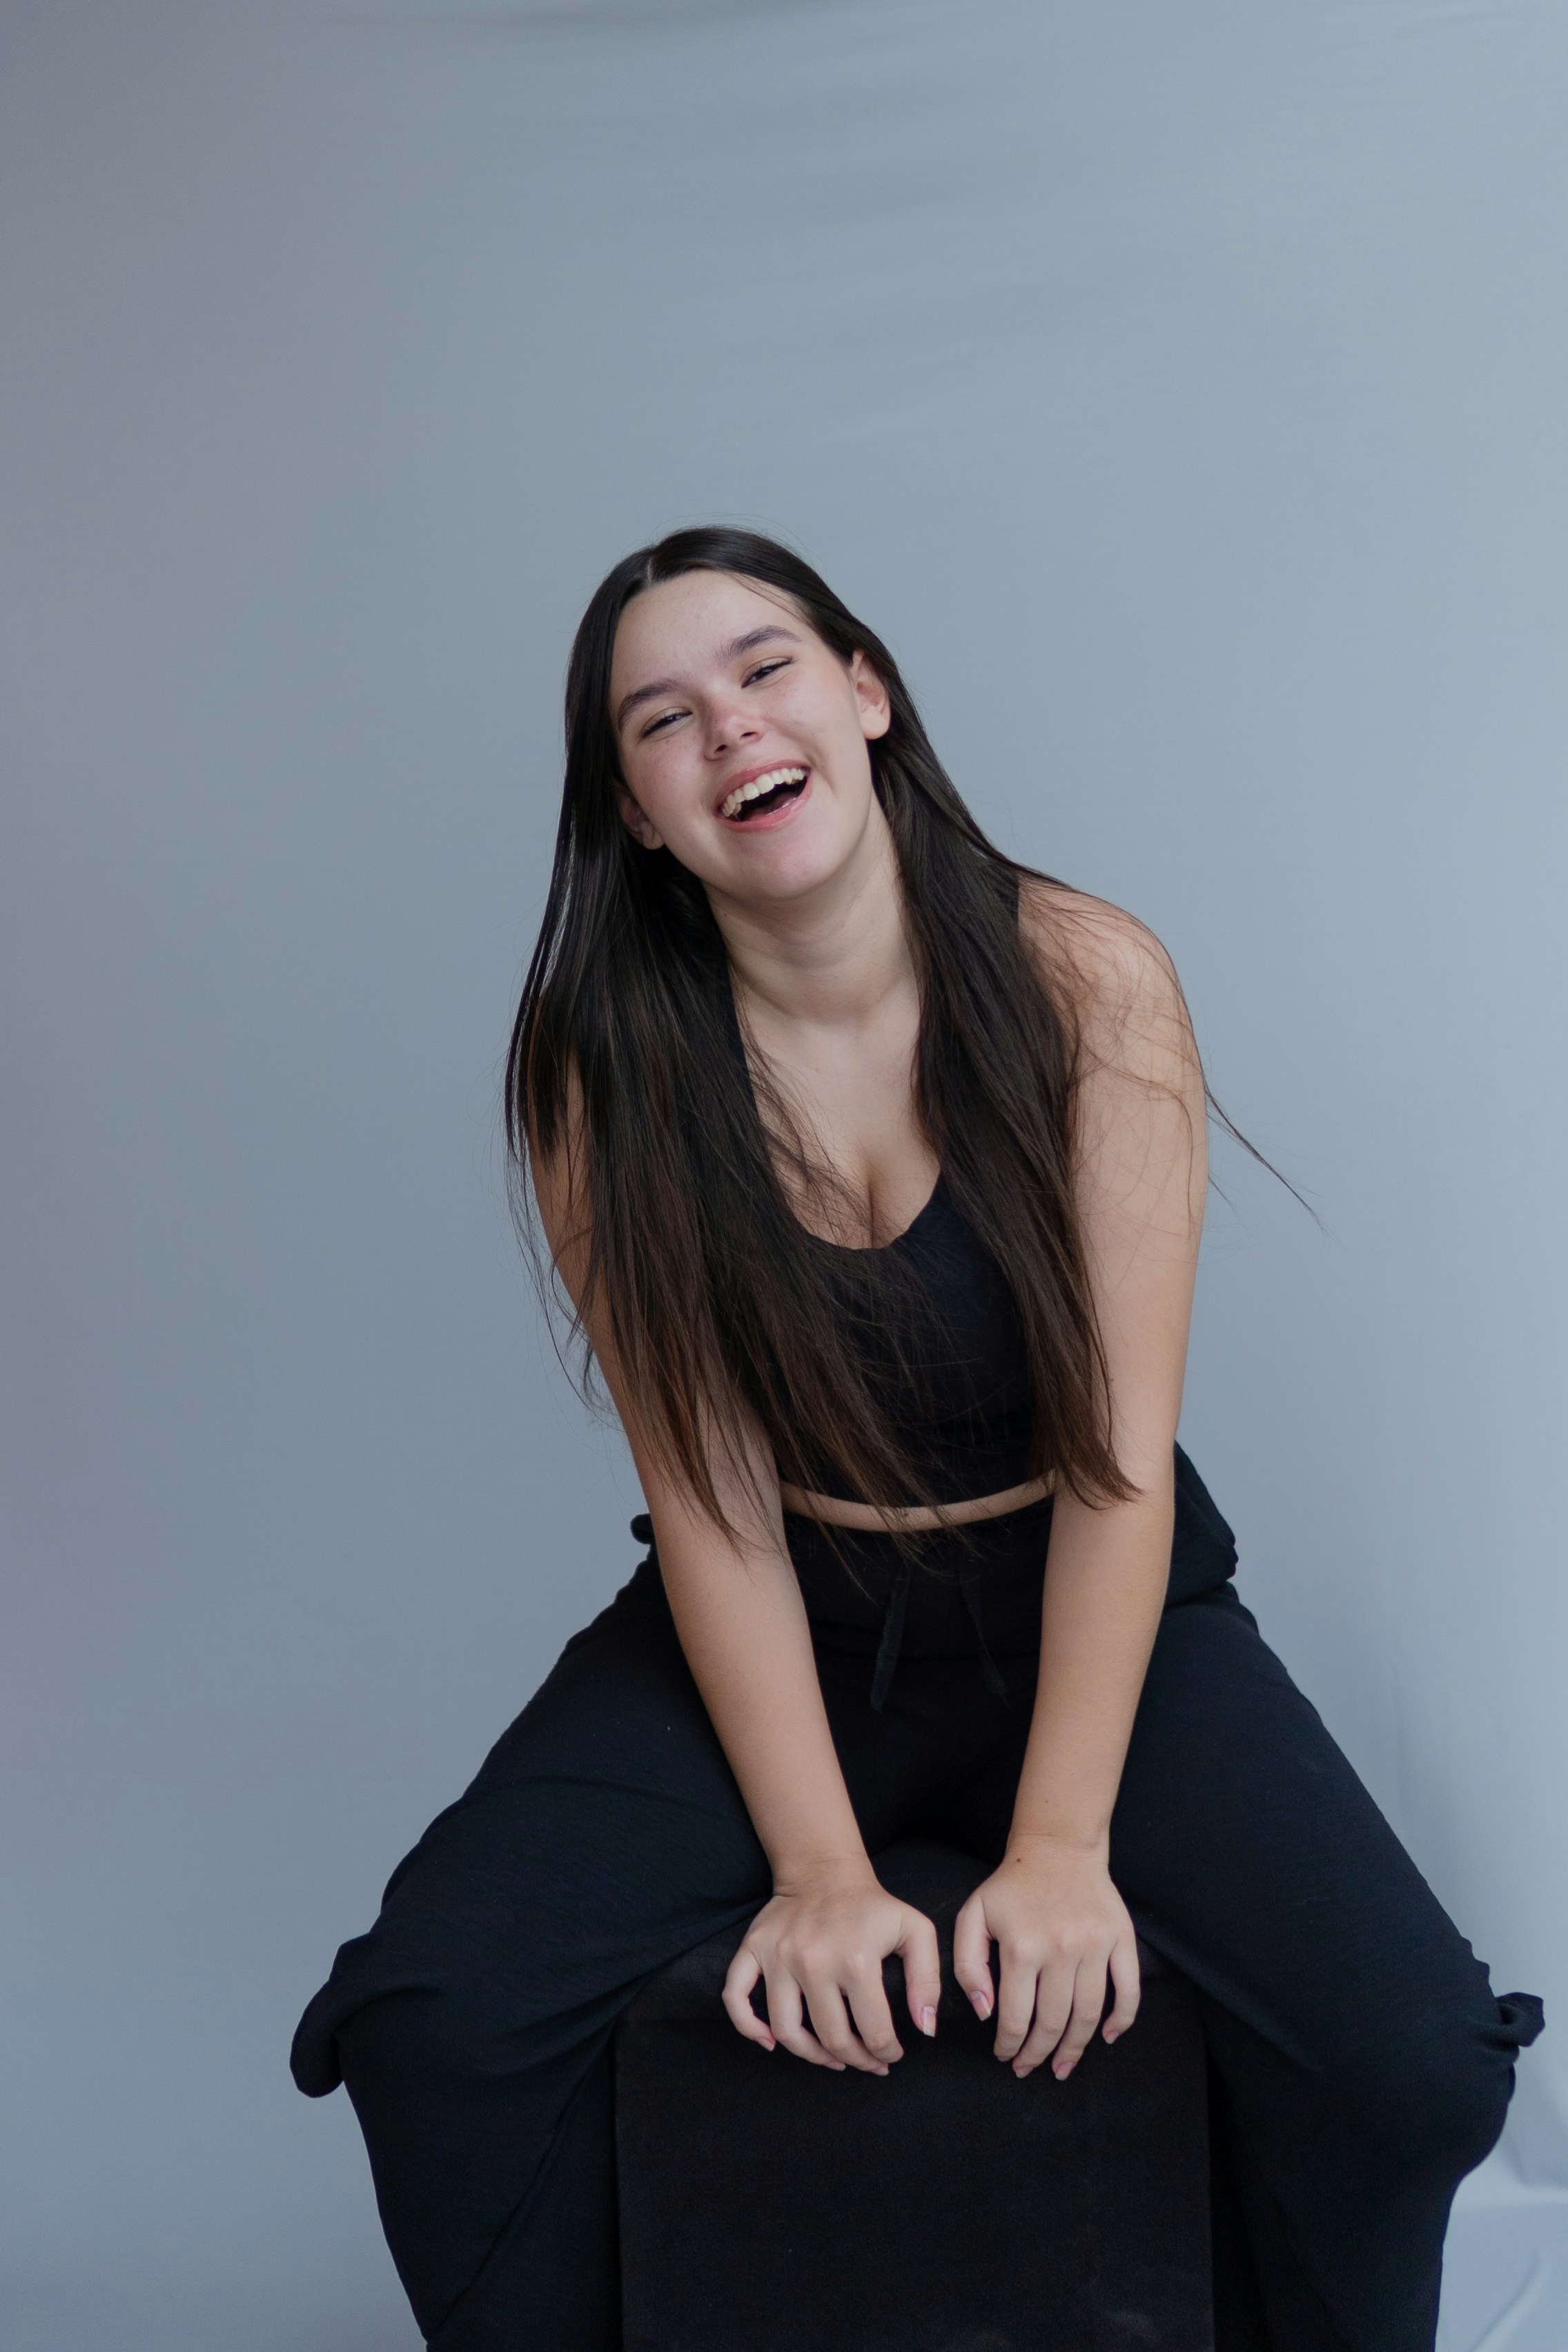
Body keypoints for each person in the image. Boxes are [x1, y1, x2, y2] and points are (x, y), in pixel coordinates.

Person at [291, 527, 1541, 2351]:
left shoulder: (1085, 978)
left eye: (766, 671)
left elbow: (1122, 1455)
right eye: (663, 720)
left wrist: (1059, 1846)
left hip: (1086, 1592)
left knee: (1415, 2065)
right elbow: (709, 1500)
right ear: (636, 810)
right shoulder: (600, 1071)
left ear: (866, 695)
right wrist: (814, 1868)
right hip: (795, 1609)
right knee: (437, 2021)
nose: (730, 731)